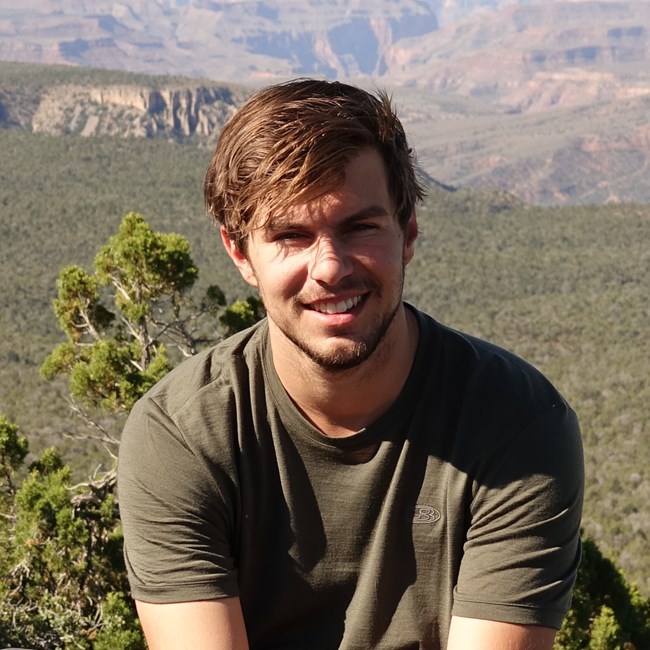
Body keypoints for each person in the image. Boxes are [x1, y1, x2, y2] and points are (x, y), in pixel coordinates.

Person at [118, 78, 584, 649]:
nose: (331, 268)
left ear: (407, 232)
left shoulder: (515, 426)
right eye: (291, 236)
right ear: (240, 254)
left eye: (359, 227)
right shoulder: (184, 435)